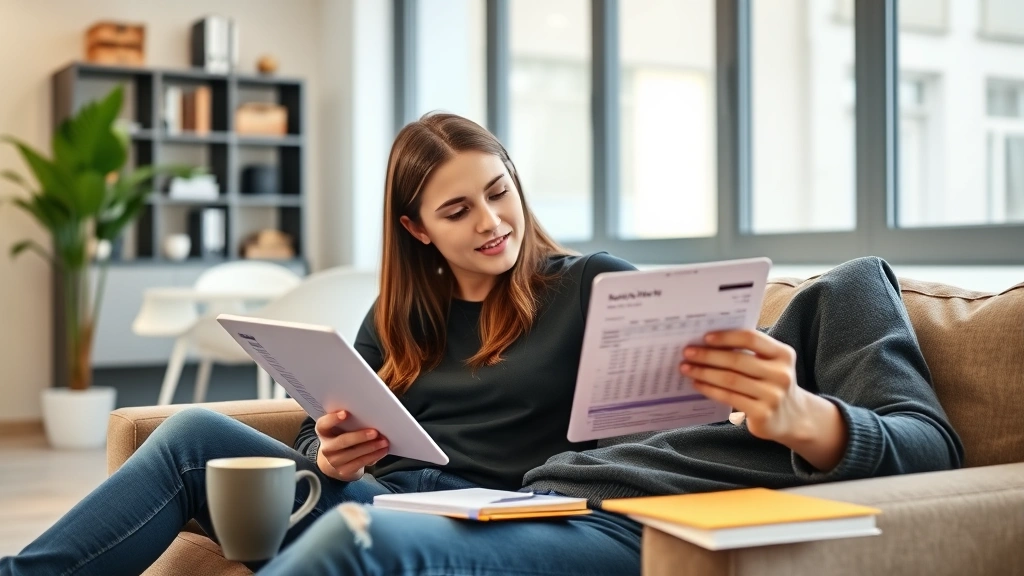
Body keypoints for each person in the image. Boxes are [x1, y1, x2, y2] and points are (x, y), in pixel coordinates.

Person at [0, 113, 964, 576]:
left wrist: (800, 416)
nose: (491, 221)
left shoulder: (593, 286)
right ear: (417, 229)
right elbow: (328, 447)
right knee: (190, 436)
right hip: (415, 491)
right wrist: (324, 453)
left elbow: (926, 450)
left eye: (499, 191)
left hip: (524, 506)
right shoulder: (399, 321)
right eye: (457, 209)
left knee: (359, 535)